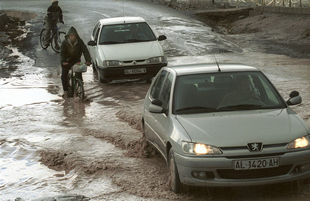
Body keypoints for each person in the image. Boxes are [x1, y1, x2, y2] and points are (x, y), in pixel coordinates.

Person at [60, 26, 91, 98]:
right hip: (66, 61)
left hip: (76, 61)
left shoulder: (80, 42)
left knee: (78, 75)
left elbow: (85, 50)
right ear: (68, 36)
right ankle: (66, 92)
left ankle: (81, 89)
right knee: (64, 76)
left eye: (74, 36)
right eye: (71, 36)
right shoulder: (64, 43)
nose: (72, 37)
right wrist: (63, 61)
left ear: (76, 36)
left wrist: (88, 60)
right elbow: (62, 53)